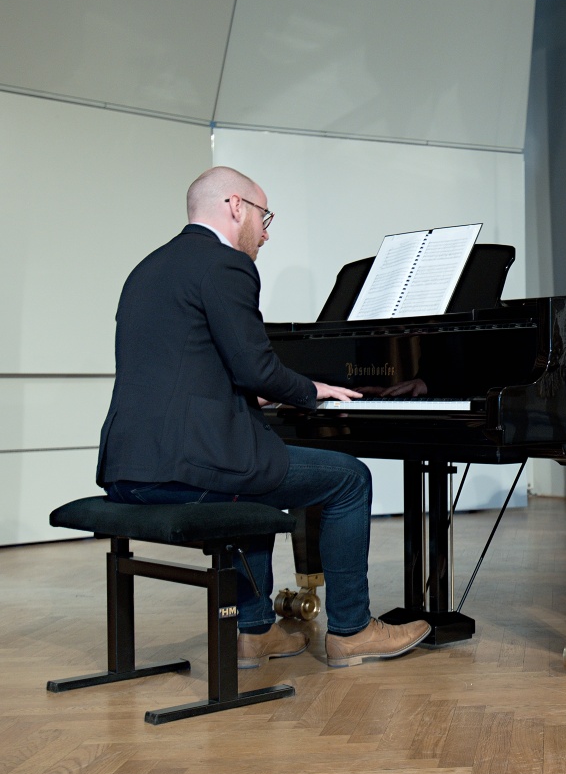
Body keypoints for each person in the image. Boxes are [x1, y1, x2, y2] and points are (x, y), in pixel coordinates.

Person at [97, 166, 431, 668]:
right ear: (235, 206)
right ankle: (352, 630)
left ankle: (253, 632)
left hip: (128, 469)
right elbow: (256, 368)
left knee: (254, 467)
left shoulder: (148, 268)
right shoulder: (226, 265)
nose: (266, 232)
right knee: (348, 479)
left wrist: (251, 398)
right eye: (264, 216)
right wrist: (311, 390)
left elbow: (185, 369)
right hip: (191, 466)